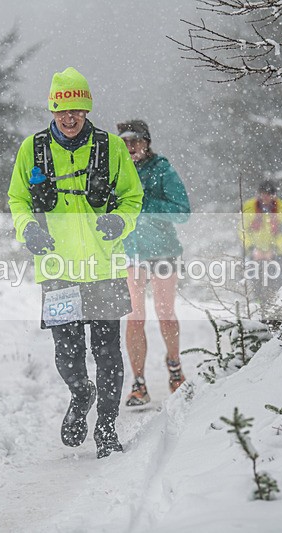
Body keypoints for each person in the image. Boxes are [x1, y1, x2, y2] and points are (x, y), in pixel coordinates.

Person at [8, 67, 143, 459]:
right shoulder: (32, 150)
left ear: (87, 110)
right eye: (63, 111)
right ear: (52, 109)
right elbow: (17, 200)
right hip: (58, 272)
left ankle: (105, 427)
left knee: (107, 352)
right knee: (67, 355)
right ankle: (82, 393)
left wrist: (120, 220)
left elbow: (133, 197)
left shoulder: (111, 148)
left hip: (104, 269)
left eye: (78, 112)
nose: (70, 119)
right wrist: (27, 229)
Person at [117, 120, 191, 407]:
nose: (130, 147)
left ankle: (175, 368)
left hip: (162, 252)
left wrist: (144, 204)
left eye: (135, 141)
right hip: (130, 253)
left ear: (146, 142)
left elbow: (183, 211)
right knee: (135, 317)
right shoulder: (116, 171)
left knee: (164, 311)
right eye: (124, 141)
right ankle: (138, 384)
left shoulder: (162, 169)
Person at [238, 180, 282, 301]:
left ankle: (275, 305)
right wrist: (252, 248)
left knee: (276, 281)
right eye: (263, 194)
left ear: (273, 195)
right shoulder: (249, 206)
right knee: (255, 281)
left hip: (275, 252)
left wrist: (274, 249)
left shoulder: (281, 207)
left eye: (268, 194)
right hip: (253, 251)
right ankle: (258, 306)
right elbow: (243, 230)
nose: (265, 197)